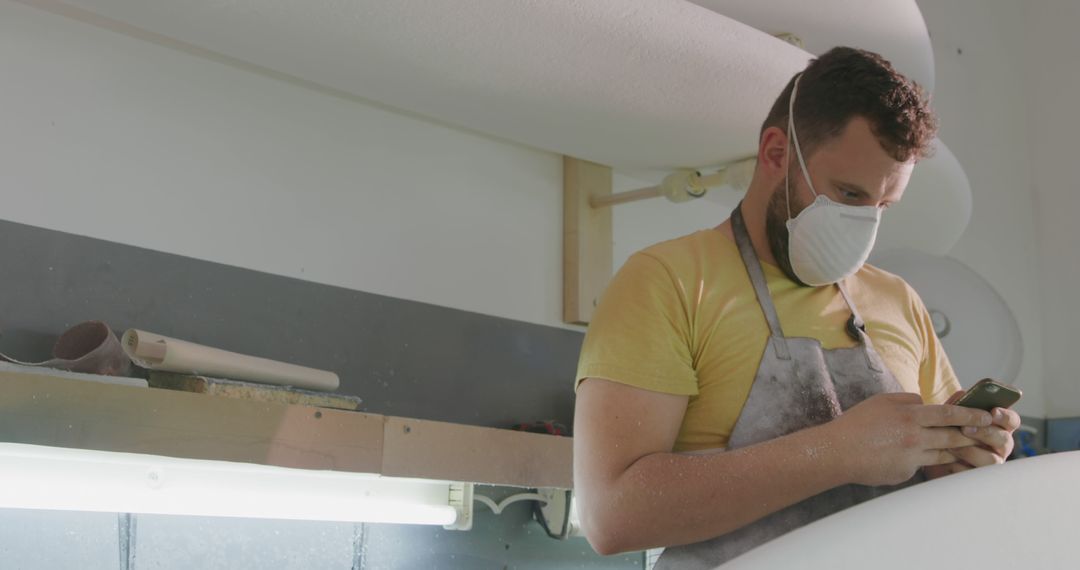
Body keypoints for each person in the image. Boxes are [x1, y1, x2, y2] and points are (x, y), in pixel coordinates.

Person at [572, 46, 1021, 569]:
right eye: (847, 193)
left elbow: (943, 487)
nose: (865, 226)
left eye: (883, 207)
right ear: (776, 153)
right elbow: (612, 515)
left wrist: (965, 459)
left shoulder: (898, 300)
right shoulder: (668, 282)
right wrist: (838, 452)